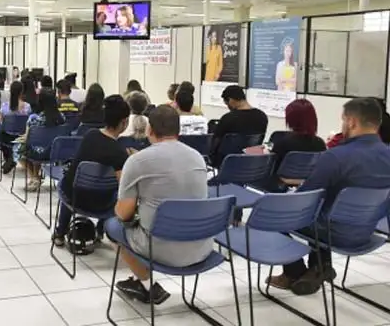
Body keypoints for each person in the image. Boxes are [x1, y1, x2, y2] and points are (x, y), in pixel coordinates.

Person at [268, 98, 390, 295]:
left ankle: (294, 272)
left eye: (343, 120)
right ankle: (319, 266)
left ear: (351, 122)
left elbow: (303, 198)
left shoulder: (336, 156)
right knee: (322, 211)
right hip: (367, 232)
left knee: (276, 214)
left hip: (334, 233)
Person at [113, 105, 212, 305]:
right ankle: (139, 280)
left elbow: (123, 214)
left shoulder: (137, 161)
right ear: (179, 130)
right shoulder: (197, 157)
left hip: (162, 249)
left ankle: (147, 285)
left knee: (114, 227)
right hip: (201, 246)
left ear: (149, 130)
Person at [53, 95, 130, 245]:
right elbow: (123, 185)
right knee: (116, 193)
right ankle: (100, 231)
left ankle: (60, 233)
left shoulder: (90, 135)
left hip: (74, 198)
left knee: (68, 182)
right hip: (102, 205)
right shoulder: (119, 153)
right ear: (124, 122)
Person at [261, 99, 326, 191]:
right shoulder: (320, 143)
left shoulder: (282, 141)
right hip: (306, 187)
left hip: (278, 186)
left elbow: (271, 167)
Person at [14, 88, 66, 191]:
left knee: (17, 148)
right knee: (38, 145)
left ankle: (34, 177)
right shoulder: (62, 118)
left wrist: (19, 139)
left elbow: (28, 139)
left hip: (37, 152)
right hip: (55, 152)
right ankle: (35, 176)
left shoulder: (34, 119)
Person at [210, 85, 268, 166]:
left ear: (230, 100)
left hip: (226, 162)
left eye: (227, 104)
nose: (228, 108)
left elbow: (215, 144)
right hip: (250, 162)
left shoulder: (228, 118)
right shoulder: (262, 116)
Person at [0, 80, 31, 173]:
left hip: (7, 137)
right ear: (22, 92)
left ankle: (9, 158)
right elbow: (29, 122)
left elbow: (1, 121)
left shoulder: (5, 106)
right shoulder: (27, 107)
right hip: (22, 137)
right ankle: (13, 157)